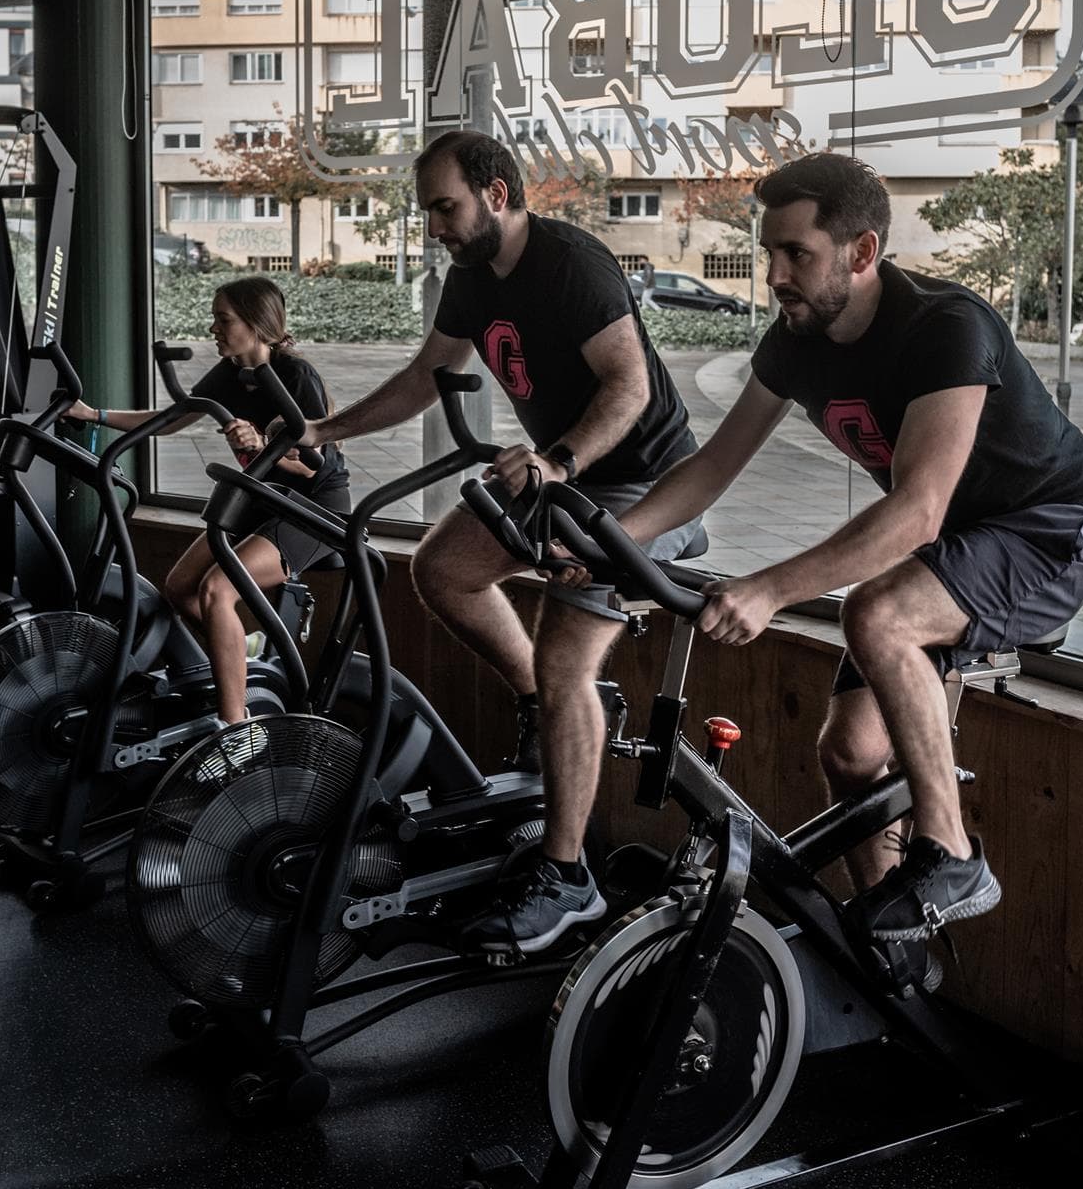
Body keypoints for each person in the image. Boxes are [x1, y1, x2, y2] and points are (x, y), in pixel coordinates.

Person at [608, 151, 1083, 950]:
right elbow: (711, 467)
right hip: (956, 549)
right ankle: (897, 945)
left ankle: (949, 854)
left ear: (862, 252)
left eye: (796, 254)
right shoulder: (795, 339)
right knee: (849, 754)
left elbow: (916, 512)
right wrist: (612, 539)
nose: (774, 274)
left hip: (1049, 529)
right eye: (770, 251)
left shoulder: (945, 327)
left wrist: (770, 587)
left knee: (879, 613)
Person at [292, 129, 703, 954]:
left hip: (646, 488)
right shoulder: (471, 281)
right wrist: (322, 429)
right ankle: (539, 703)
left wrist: (559, 461)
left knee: (566, 661)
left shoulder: (570, 265)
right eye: (431, 211)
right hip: (561, 480)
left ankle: (568, 878)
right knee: (442, 568)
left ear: (498, 194)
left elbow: (631, 385)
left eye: (446, 207)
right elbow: (421, 378)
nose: (436, 226)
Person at [68, 276, 350, 726]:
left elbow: (314, 465)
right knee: (180, 588)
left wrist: (260, 445)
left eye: (224, 319)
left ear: (256, 323)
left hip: (313, 508)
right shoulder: (232, 373)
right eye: (214, 318)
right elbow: (170, 419)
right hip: (263, 496)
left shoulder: (296, 375)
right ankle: (246, 647)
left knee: (217, 590)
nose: (214, 328)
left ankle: (237, 728)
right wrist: (93, 414)